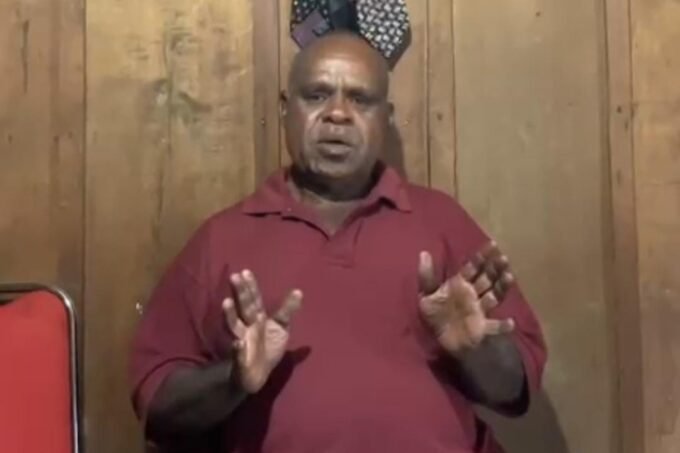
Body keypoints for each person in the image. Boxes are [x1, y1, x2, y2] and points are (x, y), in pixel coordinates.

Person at [130, 31, 547, 453]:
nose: (337, 114)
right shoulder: (222, 239)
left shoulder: (441, 221)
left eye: (360, 100)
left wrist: (476, 352)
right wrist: (233, 380)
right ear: (285, 109)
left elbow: (514, 389)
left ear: (385, 117)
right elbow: (159, 405)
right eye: (317, 95)